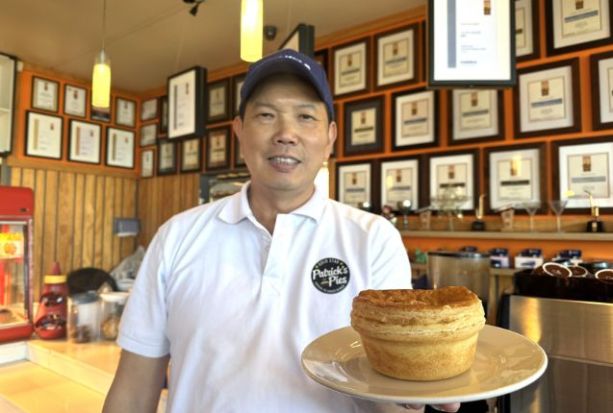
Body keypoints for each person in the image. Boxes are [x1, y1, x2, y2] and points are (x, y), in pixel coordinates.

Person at [103, 49, 460, 413]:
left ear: (330, 138)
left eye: (305, 116)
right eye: (266, 115)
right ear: (239, 131)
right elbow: (132, 391)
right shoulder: (176, 238)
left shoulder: (372, 239)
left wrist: (412, 391)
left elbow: (390, 392)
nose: (286, 134)